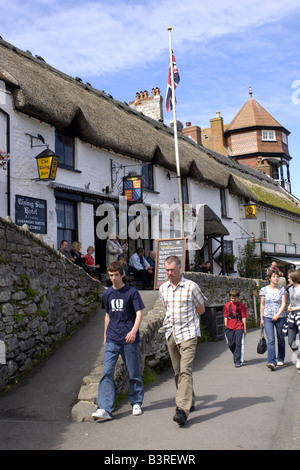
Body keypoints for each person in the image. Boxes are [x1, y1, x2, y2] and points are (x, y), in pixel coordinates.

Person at [92, 261, 145, 421]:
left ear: (122, 275)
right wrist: (105, 336)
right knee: (107, 373)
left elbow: (139, 313)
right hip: (112, 339)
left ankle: (136, 402)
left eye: (116, 275)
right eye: (111, 275)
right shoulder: (107, 294)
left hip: (128, 338)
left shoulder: (132, 292)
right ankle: (105, 408)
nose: (113, 278)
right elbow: (107, 315)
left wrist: (134, 331)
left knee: (133, 371)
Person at [159, 255, 206, 426]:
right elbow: (166, 308)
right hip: (171, 332)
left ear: (180, 268)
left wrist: (190, 323)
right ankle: (190, 399)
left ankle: (182, 409)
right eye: (167, 270)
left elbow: (201, 309)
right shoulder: (163, 289)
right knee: (178, 371)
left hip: (188, 333)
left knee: (186, 369)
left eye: (172, 270)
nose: (169, 273)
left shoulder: (191, 287)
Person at [259, 269, 286, 370]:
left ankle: (280, 358)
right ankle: (271, 362)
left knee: (281, 339)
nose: (276, 278)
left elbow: (283, 304)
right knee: (271, 340)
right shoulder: (264, 290)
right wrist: (261, 318)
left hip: (280, 317)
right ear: (269, 278)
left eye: (277, 276)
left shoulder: (282, 289)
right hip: (267, 317)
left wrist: (278, 314)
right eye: (274, 276)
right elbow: (262, 305)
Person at [223, 288, 248, 367]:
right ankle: (236, 354)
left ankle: (237, 361)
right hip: (229, 326)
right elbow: (225, 316)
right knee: (230, 344)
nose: (233, 299)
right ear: (230, 297)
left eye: (235, 297)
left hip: (239, 326)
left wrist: (244, 328)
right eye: (232, 297)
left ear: (238, 297)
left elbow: (243, 317)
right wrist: (226, 326)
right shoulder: (226, 305)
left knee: (238, 343)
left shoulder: (241, 306)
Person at [283, 269, 300, 370]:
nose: (288, 279)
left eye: (289, 278)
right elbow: (292, 301)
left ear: (294, 278)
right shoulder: (290, 289)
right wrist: (290, 306)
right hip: (292, 317)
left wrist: (295, 308)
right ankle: (298, 355)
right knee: (290, 341)